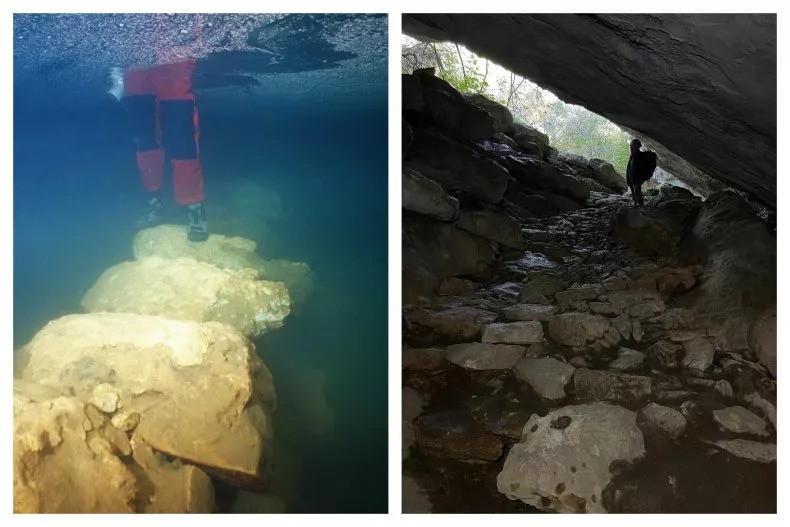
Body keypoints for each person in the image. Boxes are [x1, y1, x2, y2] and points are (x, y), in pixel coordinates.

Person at [107, 16, 208, 242]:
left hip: (175, 57)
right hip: (136, 64)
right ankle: (153, 201)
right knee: (145, 138)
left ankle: (193, 205)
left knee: (181, 136)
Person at [626, 138, 657, 207]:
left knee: (637, 190)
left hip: (637, 177)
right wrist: (628, 177)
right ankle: (636, 203)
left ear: (637, 147)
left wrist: (643, 176)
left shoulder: (641, 155)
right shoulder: (632, 156)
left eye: (632, 146)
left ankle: (640, 205)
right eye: (631, 146)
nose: (631, 147)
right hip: (632, 176)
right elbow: (629, 167)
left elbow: (640, 166)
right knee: (634, 191)